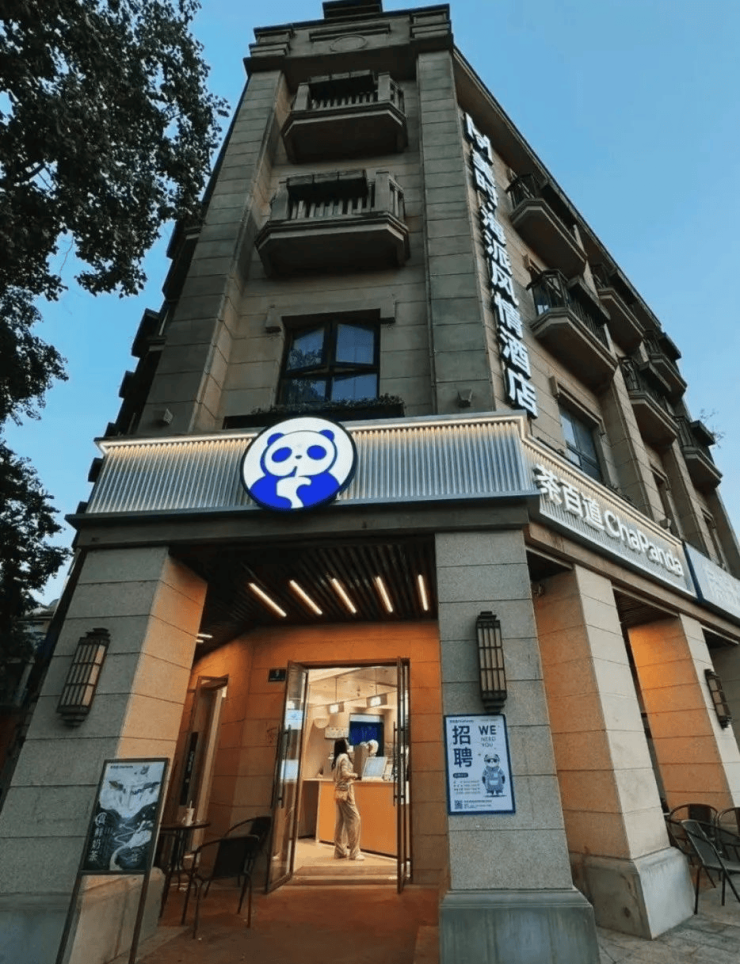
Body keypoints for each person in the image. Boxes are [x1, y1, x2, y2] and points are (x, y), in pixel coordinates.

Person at [331, 738, 364, 861]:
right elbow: (345, 773)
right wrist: (355, 775)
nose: (348, 744)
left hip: (338, 792)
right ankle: (354, 852)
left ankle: (339, 850)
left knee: (340, 822)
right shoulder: (344, 757)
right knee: (355, 819)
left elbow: (336, 776)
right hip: (347, 792)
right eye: (346, 742)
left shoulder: (337, 759)